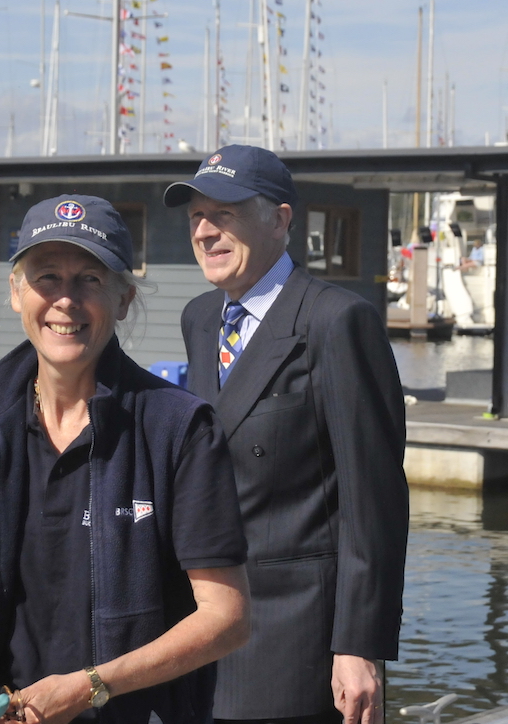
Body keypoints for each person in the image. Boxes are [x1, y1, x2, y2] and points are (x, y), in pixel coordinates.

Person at [0, 194, 250, 724]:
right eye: (47, 276)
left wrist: (92, 687)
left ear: (124, 298)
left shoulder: (180, 428)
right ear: (15, 292)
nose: (65, 300)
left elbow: (228, 616)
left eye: (90, 280)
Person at [164, 145, 408, 724]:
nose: (204, 230)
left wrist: (358, 645)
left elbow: (372, 501)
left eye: (223, 212)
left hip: (296, 643)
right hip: (201, 630)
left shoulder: (335, 320)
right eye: (196, 215)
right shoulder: (200, 318)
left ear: (279, 218)